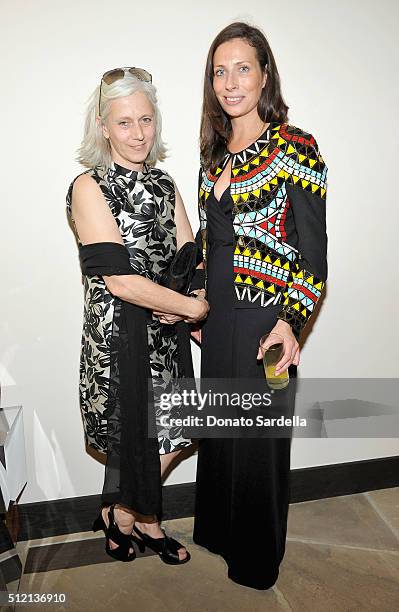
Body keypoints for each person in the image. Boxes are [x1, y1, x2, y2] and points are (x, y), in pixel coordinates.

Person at [192, 23, 328, 589]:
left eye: (242, 68)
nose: (230, 82)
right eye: (220, 71)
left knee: (261, 450)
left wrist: (292, 324)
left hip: (268, 321)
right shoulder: (212, 155)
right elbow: (210, 241)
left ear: (265, 74)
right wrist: (197, 299)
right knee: (224, 437)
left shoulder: (295, 147)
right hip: (219, 321)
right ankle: (223, 540)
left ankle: (257, 560)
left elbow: (313, 254)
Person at [66, 67, 208, 564]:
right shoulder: (88, 186)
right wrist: (192, 308)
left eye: (146, 119)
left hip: (165, 335)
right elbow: (120, 281)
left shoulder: (166, 185)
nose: (139, 132)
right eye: (124, 122)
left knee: (173, 432)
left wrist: (191, 296)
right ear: (103, 126)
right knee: (132, 439)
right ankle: (145, 521)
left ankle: (119, 515)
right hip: (118, 340)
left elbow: (190, 255)